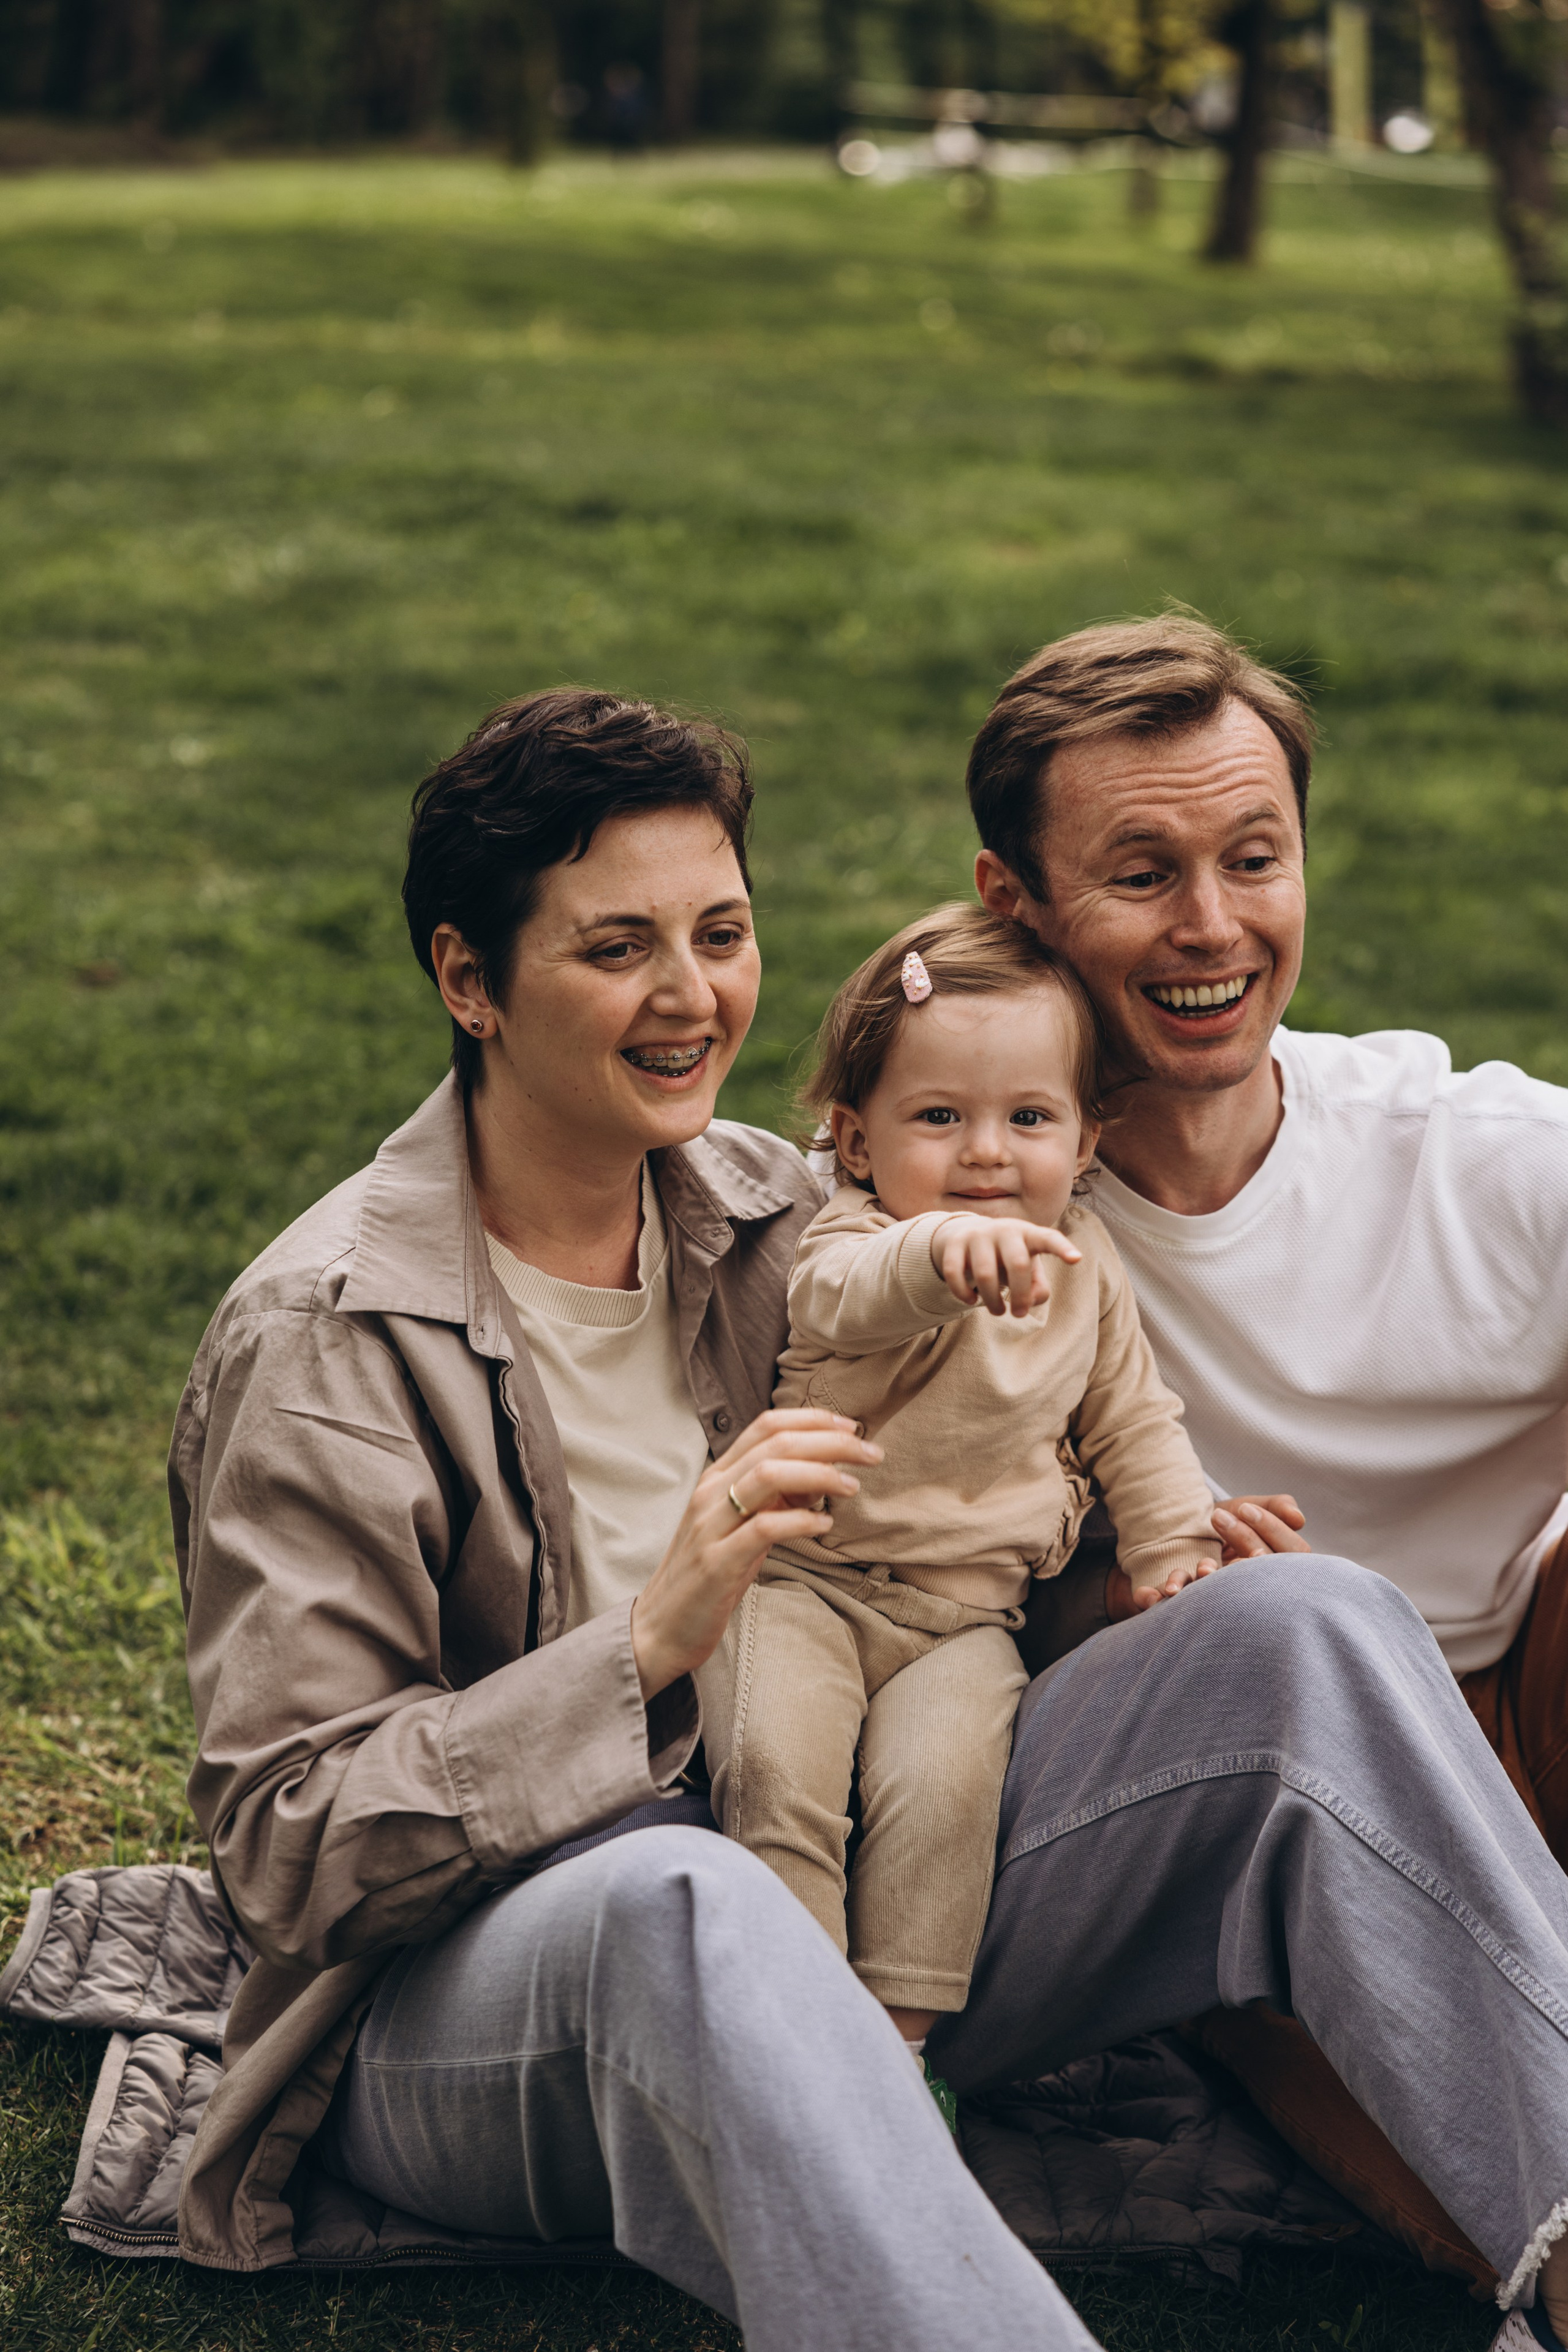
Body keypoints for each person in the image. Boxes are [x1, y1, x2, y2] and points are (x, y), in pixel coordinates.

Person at [166, 682, 1568, 2352]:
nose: (690, 999)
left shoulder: (785, 1215)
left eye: (721, 932)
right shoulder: (326, 1335)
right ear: (471, 980)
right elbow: (287, 1851)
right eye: (618, 948)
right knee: (690, 1904)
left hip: (875, 1891)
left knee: (1307, 1622)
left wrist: (1118, 1574)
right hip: (488, 2007)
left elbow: (965, 1512)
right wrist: (643, 1650)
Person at [965, 611, 1568, 2308]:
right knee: (1276, 1674)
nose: (1213, 927)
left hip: (1520, 1728)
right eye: (1141, 874)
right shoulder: (967, 1214)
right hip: (1254, 1854)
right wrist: (1124, 1601)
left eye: (1254, 857)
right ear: (1018, 901)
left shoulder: (1481, 1163)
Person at [699, 902, 1219, 2078]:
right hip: (802, 1586)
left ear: (1086, 1140)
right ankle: (790, 2040)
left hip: (965, 1622)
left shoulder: (1088, 1275)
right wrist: (936, 1256)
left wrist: (1172, 1546)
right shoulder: (852, 1238)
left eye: (1028, 1118)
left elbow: (1135, 1419)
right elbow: (847, 1298)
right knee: (780, 1770)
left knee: (944, 1799)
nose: (987, 1153)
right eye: (940, 1118)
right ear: (857, 1138)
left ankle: (895, 2054)